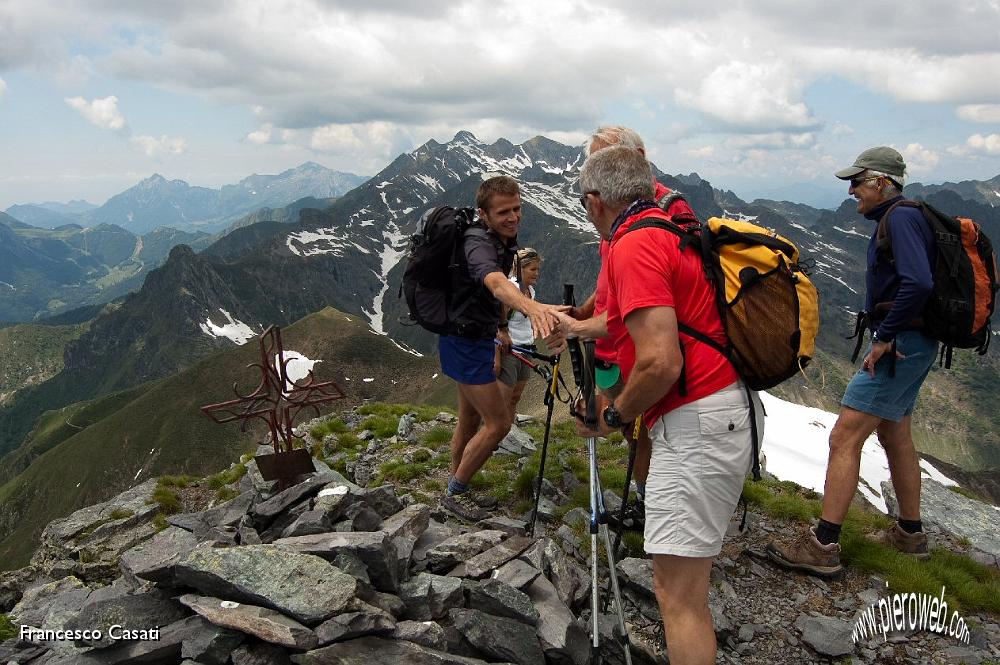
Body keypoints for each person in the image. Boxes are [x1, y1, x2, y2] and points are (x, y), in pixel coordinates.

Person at [567, 145, 761, 665]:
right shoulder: (669, 227)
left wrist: (613, 415)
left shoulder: (632, 245)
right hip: (723, 408)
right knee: (684, 587)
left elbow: (659, 363)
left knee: (678, 596)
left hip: (697, 421)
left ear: (594, 201)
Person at [767, 147, 936, 576]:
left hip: (899, 347)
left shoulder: (898, 218)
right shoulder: (905, 217)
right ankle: (909, 534)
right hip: (916, 343)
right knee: (896, 433)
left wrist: (884, 336)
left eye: (858, 181)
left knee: (844, 437)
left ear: (881, 181)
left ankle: (823, 544)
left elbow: (918, 282)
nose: (851, 190)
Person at [568, 126, 698, 530]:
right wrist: (584, 313)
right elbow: (613, 280)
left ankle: (654, 507)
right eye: (593, 161)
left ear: (638, 157)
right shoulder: (620, 218)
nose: (599, 167)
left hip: (640, 348)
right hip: (612, 344)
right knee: (634, 433)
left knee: (644, 429)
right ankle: (653, 503)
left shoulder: (660, 213)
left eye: (606, 157)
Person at [441, 175, 561, 522]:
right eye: (504, 212)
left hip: (469, 338)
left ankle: (454, 479)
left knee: (469, 417)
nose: (514, 217)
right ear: (484, 214)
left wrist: (507, 325)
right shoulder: (479, 243)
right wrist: (531, 307)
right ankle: (456, 491)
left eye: (517, 208)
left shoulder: (499, 238)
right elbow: (494, 282)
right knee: (499, 424)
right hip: (466, 342)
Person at [495, 247, 542, 423]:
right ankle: (496, 432)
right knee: (503, 397)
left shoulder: (531, 292)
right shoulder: (511, 289)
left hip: (527, 350)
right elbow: (497, 323)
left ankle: (509, 427)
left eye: (538, 269)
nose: (537, 273)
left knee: (515, 396)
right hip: (510, 350)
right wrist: (496, 357)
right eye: (533, 269)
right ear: (520, 269)